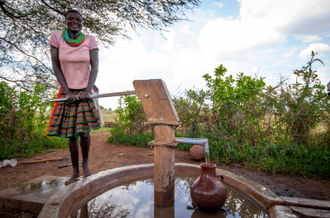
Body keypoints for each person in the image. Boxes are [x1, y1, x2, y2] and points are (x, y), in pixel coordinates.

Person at [47, 9, 101, 186]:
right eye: (70, 19)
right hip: (67, 91)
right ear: (66, 21)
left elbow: (95, 67)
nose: (74, 22)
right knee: (71, 134)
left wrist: (86, 90)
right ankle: (75, 171)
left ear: (82, 22)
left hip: (85, 90)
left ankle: (85, 164)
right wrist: (67, 92)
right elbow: (56, 66)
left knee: (84, 133)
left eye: (78, 19)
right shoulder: (57, 37)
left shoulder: (90, 40)